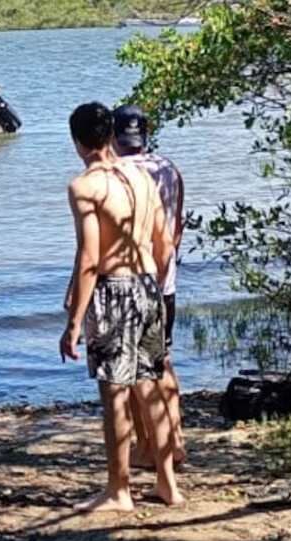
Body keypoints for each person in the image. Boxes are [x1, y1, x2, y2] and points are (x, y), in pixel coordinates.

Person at [59, 102, 184, 512]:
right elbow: (164, 241)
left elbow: (89, 259)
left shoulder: (86, 186)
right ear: (111, 134)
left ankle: (119, 491)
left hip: (114, 290)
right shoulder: (141, 176)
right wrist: (154, 284)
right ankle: (168, 484)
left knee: (115, 392)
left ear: (78, 142)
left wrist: (74, 321)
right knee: (149, 386)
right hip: (149, 284)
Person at [111, 105, 188, 470]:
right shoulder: (169, 169)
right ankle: (176, 442)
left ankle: (147, 448)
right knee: (163, 359)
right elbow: (176, 229)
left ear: (113, 137)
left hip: (131, 281)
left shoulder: (116, 173)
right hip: (165, 279)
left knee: (133, 373)